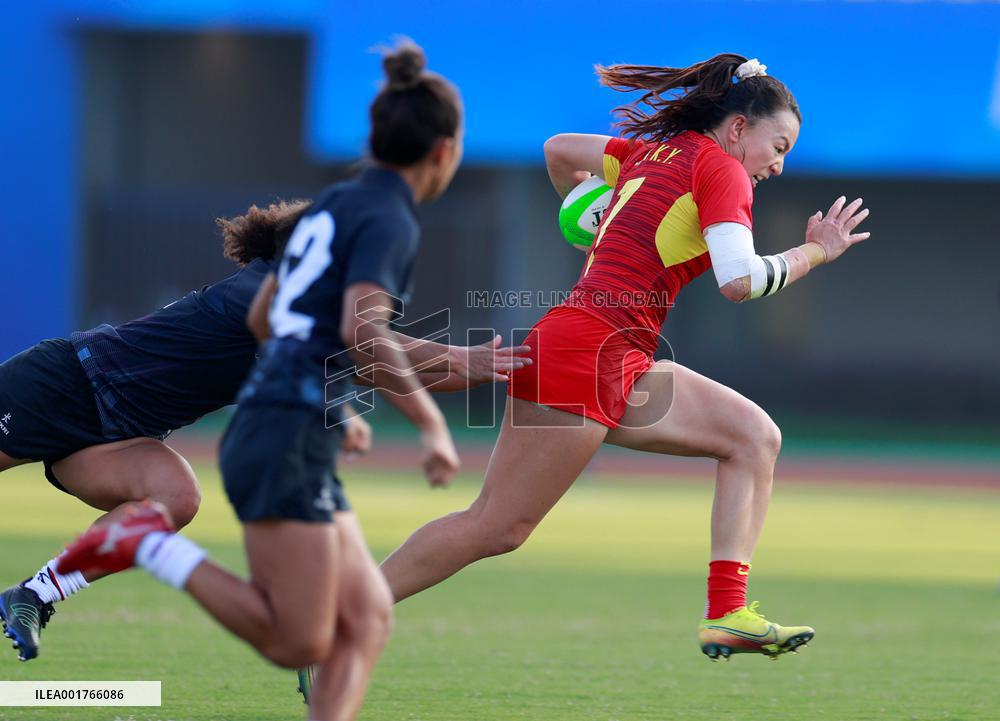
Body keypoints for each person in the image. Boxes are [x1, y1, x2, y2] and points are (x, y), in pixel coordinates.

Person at [377, 53, 870, 662]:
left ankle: (728, 614)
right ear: (739, 128)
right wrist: (815, 252)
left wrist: (587, 210)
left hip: (612, 351)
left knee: (753, 438)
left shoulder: (651, 153)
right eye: (779, 144)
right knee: (495, 527)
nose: (779, 163)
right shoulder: (722, 170)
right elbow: (738, 280)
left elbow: (559, 150)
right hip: (589, 350)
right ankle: (340, 613)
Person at [58, 40, 485, 721]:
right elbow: (362, 331)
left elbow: (267, 314)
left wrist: (331, 407)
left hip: (281, 418)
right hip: (282, 430)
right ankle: (145, 542)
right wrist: (433, 428)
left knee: (366, 617)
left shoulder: (335, 203)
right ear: (445, 150)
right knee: (296, 639)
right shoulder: (390, 219)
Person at [0, 197, 524, 663]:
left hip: (122, 436)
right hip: (64, 382)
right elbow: (369, 345)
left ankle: (35, 594)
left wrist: (509, 367)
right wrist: (460, 356)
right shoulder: (265, 291)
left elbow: (399, 372)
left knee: (175, 498)